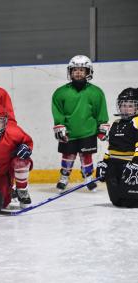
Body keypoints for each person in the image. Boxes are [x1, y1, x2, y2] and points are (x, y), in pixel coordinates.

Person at [51, 55, 109, 192]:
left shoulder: (96, 92)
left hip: (88, 131)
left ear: (88, 72)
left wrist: (102, 126)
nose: (78, 72)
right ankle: (64, 177)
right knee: (67, 156)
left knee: (86, 156)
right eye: (75, 69)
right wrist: (60, 125)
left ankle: (88, 178)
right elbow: (57, 111)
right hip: (69, 132)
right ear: (70, 72)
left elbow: (100, 111)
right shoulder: (60, 93)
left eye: (82, 70)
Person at [97, 88, 138, 208]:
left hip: (130, 166)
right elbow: (111, 147)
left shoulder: (136, 121)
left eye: (130, 105)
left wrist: (136, 163)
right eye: (123, 105)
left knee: (131, 201)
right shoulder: (116, 123)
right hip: (114, 165)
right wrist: (104, 162)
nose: (126, 108)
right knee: (116, 200)